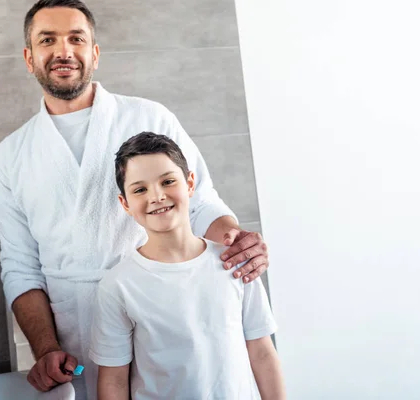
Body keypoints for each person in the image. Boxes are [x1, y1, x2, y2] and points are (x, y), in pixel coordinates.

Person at [0, 0, 271, 398]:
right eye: (47, 40)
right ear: (29, 57)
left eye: (76, 38)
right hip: (79, 331)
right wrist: (46, 348)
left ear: (95, 53)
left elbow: (202, 201)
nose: (63, 51)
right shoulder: (9, 158)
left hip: (166, 307)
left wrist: (237, 243)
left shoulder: (150, 117)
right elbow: (20, 264)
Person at [89, 132, 285, 399]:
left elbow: (262, 353)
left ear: (190, 183)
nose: (157, 196)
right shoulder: (119, 286)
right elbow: (114, 381)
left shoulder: (234, 264)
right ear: (125, 203)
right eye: (139, 189)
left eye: (168, 181)